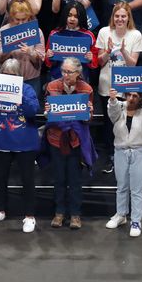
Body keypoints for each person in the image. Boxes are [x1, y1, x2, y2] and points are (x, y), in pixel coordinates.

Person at [0, 58, 40, 233]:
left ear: (19, 76)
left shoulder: (27, 90)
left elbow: (33, 111)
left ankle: (29, 216)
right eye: (5, 74)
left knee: (27, 180)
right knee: (0, 179)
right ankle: (0, 210)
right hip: (1, 141)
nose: (8, 78)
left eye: (12, 75)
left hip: (25, 143)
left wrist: (19, 96)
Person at [42, 56, 96, 230]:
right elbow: (47, 114)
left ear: (78, 73)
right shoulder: (52, 87)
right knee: (58, 178)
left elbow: (87, 120)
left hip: (75, 140)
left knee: (74, 180)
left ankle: (75, 214)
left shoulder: (86, 89)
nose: (65, 75)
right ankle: (59, 212)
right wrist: (47, 112)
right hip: (56, 139)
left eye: (69, 72)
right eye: (63, 71)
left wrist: (89, 114)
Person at [106, 79, 142, 238]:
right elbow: (112, 112)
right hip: (121, 150)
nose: (131, 98)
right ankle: (121, 214)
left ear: (140, 98)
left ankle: (136, 220)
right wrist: (113, 99)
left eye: (135, 95)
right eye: (128, 95)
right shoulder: (119, 110)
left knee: (136, 188)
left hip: (139, 152)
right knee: (121, 185)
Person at [96, 3, 142, 173]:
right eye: (117, 16)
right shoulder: (103, 32)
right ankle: (111, 156)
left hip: (126, 85)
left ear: (128, 17)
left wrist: (123, 51)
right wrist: (108, 50)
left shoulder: (135, 34)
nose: (120, 19)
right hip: (106, 84)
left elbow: (133, 64)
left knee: (126, 122)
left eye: (123, 16)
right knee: (109, 123)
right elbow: (99, 62)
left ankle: (126, 155)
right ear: (112, 17)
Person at [0, 0, 46, 102]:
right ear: (11, 17)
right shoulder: (3, 31)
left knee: (30, 110)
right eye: (17, 19)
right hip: (8, 80)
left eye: (24, 19)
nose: (20, 23)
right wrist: (9, 48)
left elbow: (42, 57)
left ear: (29, 17)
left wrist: (30, 52)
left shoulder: (36, 31)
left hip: (31, 80)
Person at [45, 3, 97, 82]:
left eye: (76, 16)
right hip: (57, 79)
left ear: (81, 17)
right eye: (69, 15)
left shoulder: (89, 36)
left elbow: (95, 63)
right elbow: (47, 63)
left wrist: (91, 59)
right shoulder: (54, 34)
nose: (72, 19)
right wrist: (49, 56)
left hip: (81, 81)